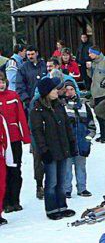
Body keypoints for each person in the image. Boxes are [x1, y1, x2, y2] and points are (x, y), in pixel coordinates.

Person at [29, 76, 77, 220]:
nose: (57, 91)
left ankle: (62, 206)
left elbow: (67, 126)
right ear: (46, 92)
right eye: (54, 89)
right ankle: (51, 209)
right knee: (52, 181)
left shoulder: (59, 105)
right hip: (50, 150)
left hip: (63, 147)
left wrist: (72, 143)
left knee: (62, 180)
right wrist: (43, 151)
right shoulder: (37, 109)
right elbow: (37, 132)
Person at [0, 71, 30, 213]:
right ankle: (5, 202)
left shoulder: (13, 96)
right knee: (3, 172)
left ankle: (15, 200)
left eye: (2, 82)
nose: (1, 85)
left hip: (14, 139)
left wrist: (25, 137)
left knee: (16, 170)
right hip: (2, 143)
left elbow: (21, 117)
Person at [61, 79, 95, 198]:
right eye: (67, 90)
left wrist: (88, 139)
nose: (69, 92)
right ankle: (66, 190)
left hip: (81, 142)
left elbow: (91, 124)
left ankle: (82, 188)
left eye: (72, 89)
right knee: (66, 168)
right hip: (67, 143)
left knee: (81, 167)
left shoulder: (84, 105)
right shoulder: (61, 106)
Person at [86, 47, 105, 142]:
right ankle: (103, 134)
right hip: (96, 93)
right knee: (98, 115)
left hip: (104, 92)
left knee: (104, 115)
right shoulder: (93, 63)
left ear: (96, 53)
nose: (89, 55)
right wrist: (89, 69)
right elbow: (91, 76)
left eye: (91, 53)